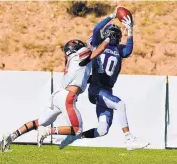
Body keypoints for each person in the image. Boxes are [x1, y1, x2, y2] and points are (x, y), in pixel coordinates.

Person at [59, 7, 150, 151]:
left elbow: (129, 50)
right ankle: (128, 139)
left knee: (102, 130)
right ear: (106, 34)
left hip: (107, 91)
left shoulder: (119, 50)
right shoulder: (98, 45)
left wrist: (131, 31)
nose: (114, 36)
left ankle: (76, 136)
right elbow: (96, 29)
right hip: (96, 89)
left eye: (116, 34)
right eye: (112, 33)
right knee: (120, 104)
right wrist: (111, 16)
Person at [0, 39, 110, 152]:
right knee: (77, 129)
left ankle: (10, 136)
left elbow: (82, 76)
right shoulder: (79, 56)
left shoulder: (73, 60)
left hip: (59, 95)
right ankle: (47, 131)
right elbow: (100, 49)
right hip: (68, 96)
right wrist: (107, 39)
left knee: (39, 122)